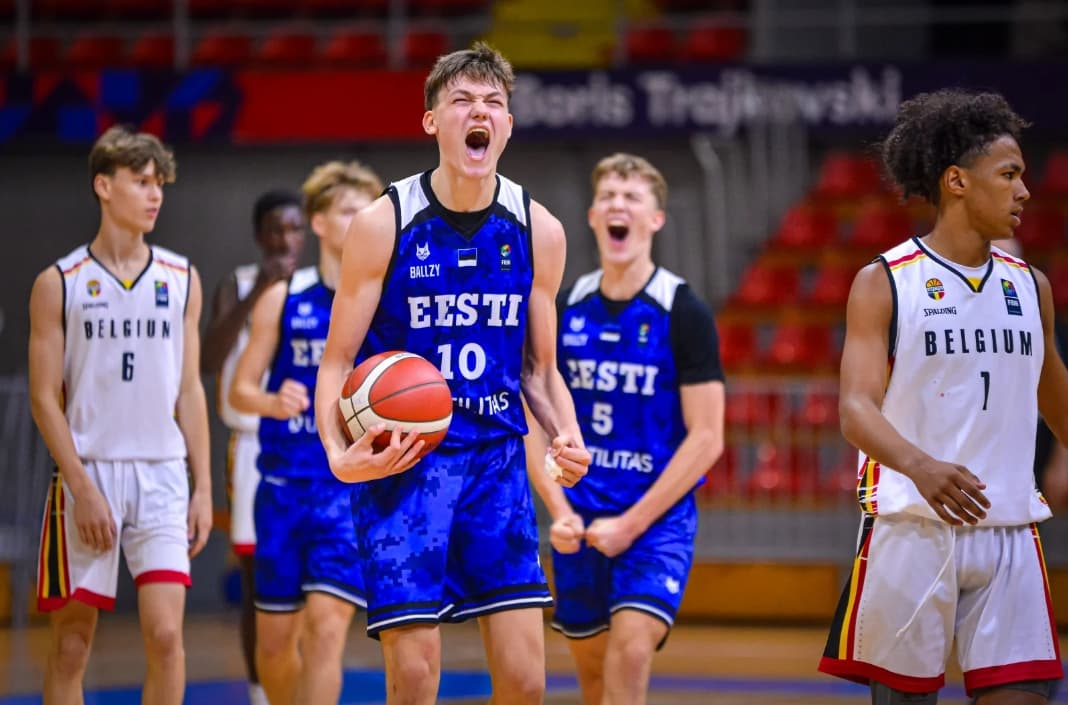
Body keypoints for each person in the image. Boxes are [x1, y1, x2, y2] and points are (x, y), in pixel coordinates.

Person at [314, 43, 591, 705]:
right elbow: (335, 362)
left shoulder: (537, 228)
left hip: (497, 467)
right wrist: (337, 454)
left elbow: (539, 367)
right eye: (463, 100)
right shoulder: (383, 222)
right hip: (404, 465)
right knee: (414, 678)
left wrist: (566, 433)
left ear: (508, 125)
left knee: (526, 682)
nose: (481, 112)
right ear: (431, 121)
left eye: (494, 102)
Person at [818, 89, 1068, 705]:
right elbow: (855, 409)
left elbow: (1055, 392)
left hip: (1010, 527)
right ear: (957, 181)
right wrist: (921, 466)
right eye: (1008, 175)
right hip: (910, 526)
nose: (1024, 192)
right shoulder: (883, 282)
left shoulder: (1030, 288)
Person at [524, 153, 725, 705]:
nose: (618, 206)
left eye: (632, 197)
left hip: (654, 519)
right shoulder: (566, 305)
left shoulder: (682, 310)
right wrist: (560, 514)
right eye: (609, 196)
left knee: (630, 654)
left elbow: (708, 436)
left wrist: (633, 524)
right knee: (593, 679)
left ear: (655, 219)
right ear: (592, 216)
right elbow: (532, 419)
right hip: (580, 519)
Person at [28, 125, 212, 705]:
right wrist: (81, 488)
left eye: (159, 184)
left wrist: (203, 488)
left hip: (161, 474)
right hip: (90, 473)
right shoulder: (59, 282)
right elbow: (42, 397)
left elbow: (190, 391)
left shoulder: (181, 278)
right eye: (141, 182)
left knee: (165, 636)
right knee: (72, 646)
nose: (155, 194)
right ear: (103, 186)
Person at [229, 160, 382, 705]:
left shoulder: (385, 304)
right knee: (274, 644)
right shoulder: (284, 296)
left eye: (369, 211)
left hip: (347, 493)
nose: (362, 220)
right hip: (283, 491)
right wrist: (271, 400)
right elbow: (238, 390)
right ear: (317, 222)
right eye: (348, 210)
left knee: (325, 634)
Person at [200, 189, 305, 705]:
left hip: (309, 448)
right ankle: (260, 693)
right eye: (276, 230)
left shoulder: (318, 289)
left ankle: (298, 684)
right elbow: (207, 356)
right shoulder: (237, 284)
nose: (285, 240)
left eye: (294, 229)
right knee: (256, 576)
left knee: (313, 579)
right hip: (251, 445)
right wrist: (259, 291)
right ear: (259, 234)